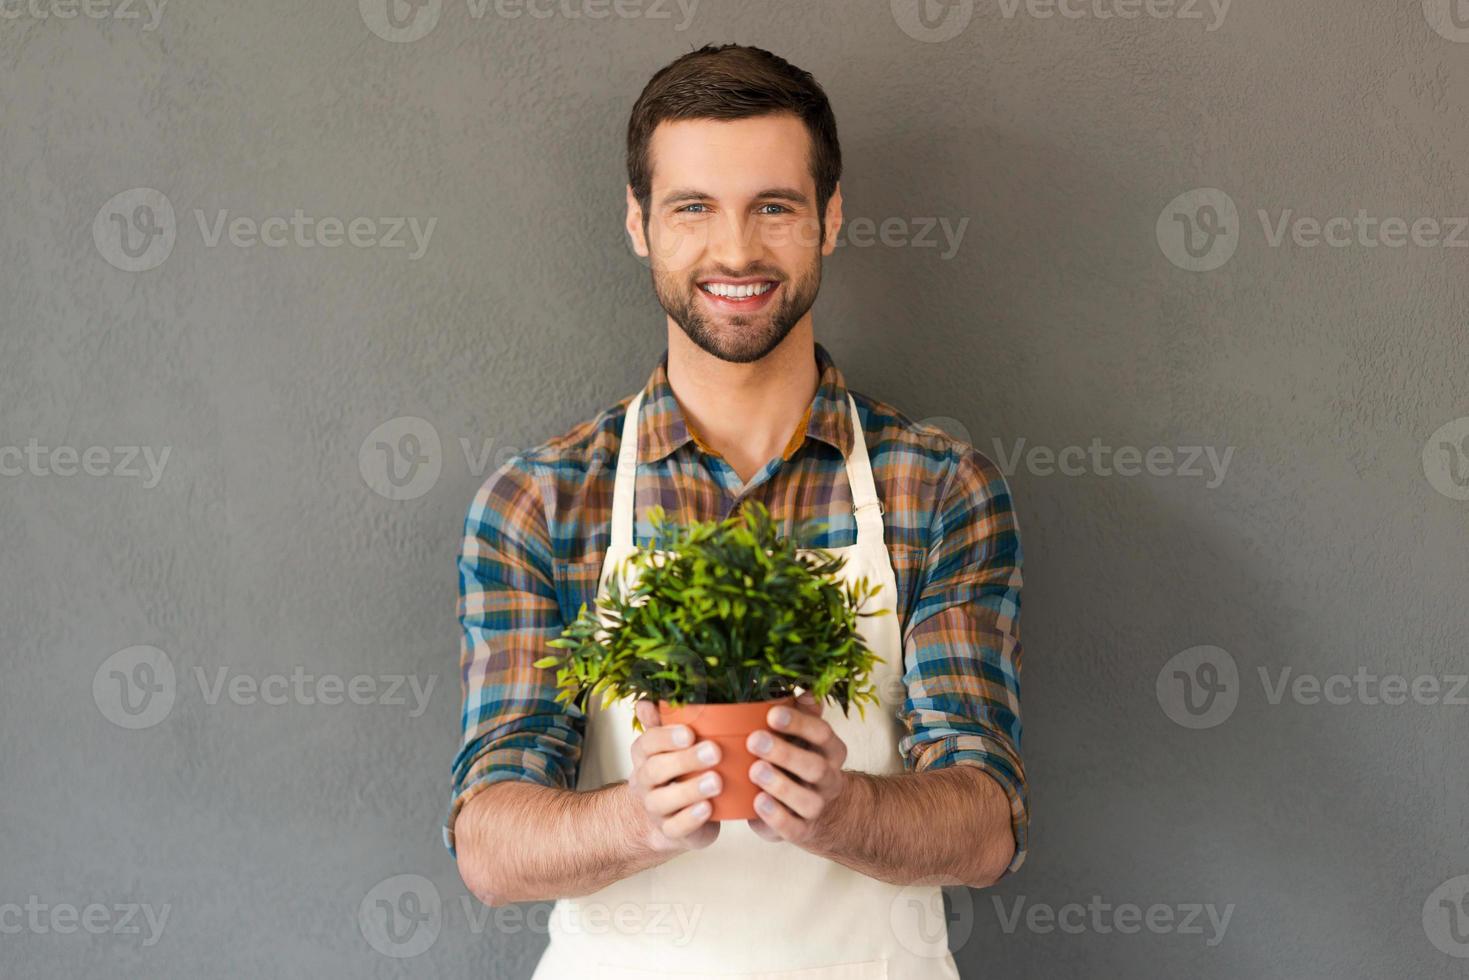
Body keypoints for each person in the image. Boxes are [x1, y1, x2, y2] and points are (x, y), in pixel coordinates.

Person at [446, 43, 1027, 980]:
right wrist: (636, 817)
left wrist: (843, 810)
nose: (735, 251)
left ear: (828, 219)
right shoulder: (542, 502)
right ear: (638, 224)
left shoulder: (936, 487)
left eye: (774, 207)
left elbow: (986, 824)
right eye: (692, 208)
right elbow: (489, 843)